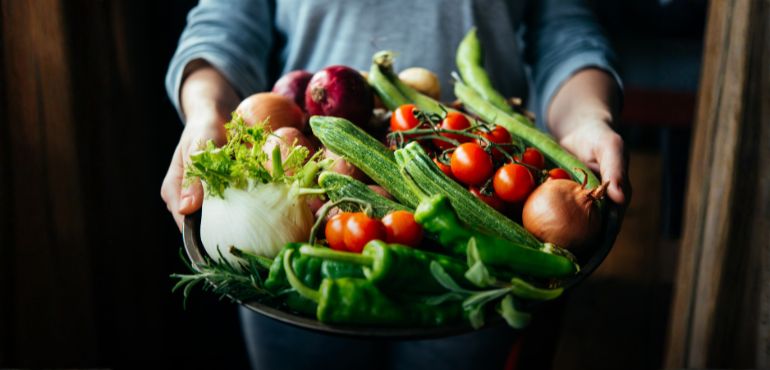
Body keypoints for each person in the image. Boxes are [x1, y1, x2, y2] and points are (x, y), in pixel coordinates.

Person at [161, 0, 629, 369]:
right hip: (295, 221)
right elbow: (225, 23)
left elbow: (564, 29)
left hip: (480, 230)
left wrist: (587, 118)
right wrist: (206, 113)